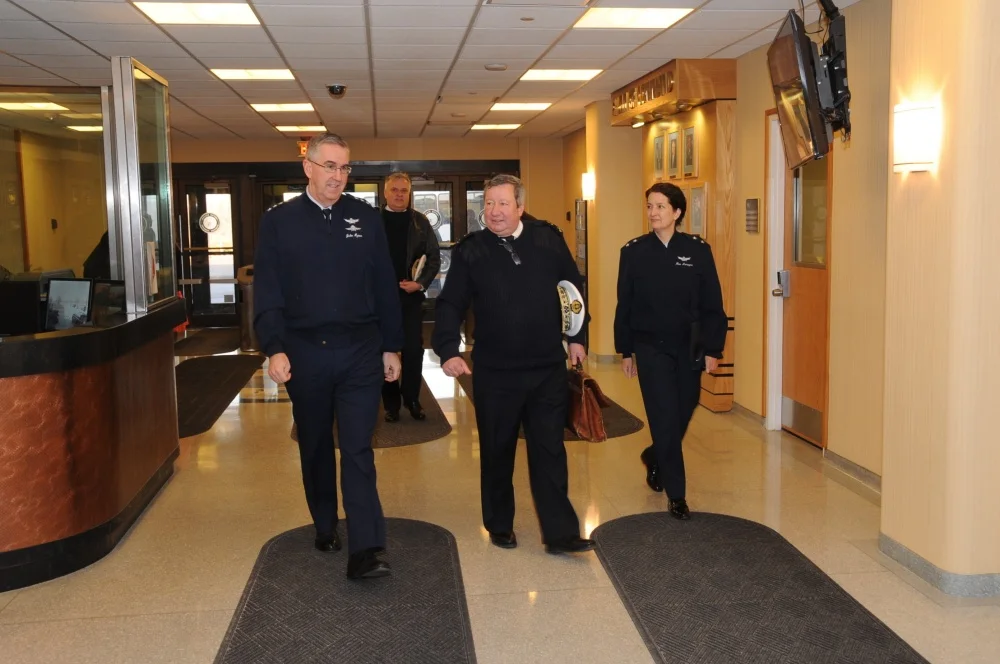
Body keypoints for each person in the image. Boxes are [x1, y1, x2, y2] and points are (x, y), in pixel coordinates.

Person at [253, 132, 404, 580]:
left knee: (358, 448)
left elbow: (384, 286)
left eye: (344, 168)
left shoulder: (365, 219)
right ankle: (324, 521)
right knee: (316, 443)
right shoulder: (279, 222)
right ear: (308, 167)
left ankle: (368, 548)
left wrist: (391, 344)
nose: (338, 176)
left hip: (360, 351)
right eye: (329, 167)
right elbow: (268, 290)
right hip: (306, 354)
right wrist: (274, 346)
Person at [432, 174, 595, 555]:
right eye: (489, 203)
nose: (494, 211)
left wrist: (577, 338)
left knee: (550, 450)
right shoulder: (471, 250)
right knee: (496, 449)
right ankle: (500, 524)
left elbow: (572, 291)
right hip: (495, 372)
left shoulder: (548, 239)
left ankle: (560, 533)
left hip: (546, 369)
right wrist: (448, 349)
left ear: (520, 206)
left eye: (503, 203)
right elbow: (450, 303)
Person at [614, 182, 728, 520]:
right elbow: (626, 305)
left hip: (690, 345)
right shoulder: (633, 251)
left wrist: (714, 348)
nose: (653, 213)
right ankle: (676, 495)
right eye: (650, 206)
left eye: (660, 207)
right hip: (650, 347)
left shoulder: (697, 250)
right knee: (663, 417)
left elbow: (712, 303)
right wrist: (626, 351)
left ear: (677, 212)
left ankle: (654, 455)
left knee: (683, 411)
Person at [380, 171, 441, 422]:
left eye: (403, 191)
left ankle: (413, 399)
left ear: (409, 193)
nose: (399, 195)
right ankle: (391, 405)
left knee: (414, 350)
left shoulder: (420, 222)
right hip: (381, 300)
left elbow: (434, 258)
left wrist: (420, 284)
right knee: (384, 351)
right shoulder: (373, 221)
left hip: (410, 299)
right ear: (385, 193)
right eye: (394, 190)